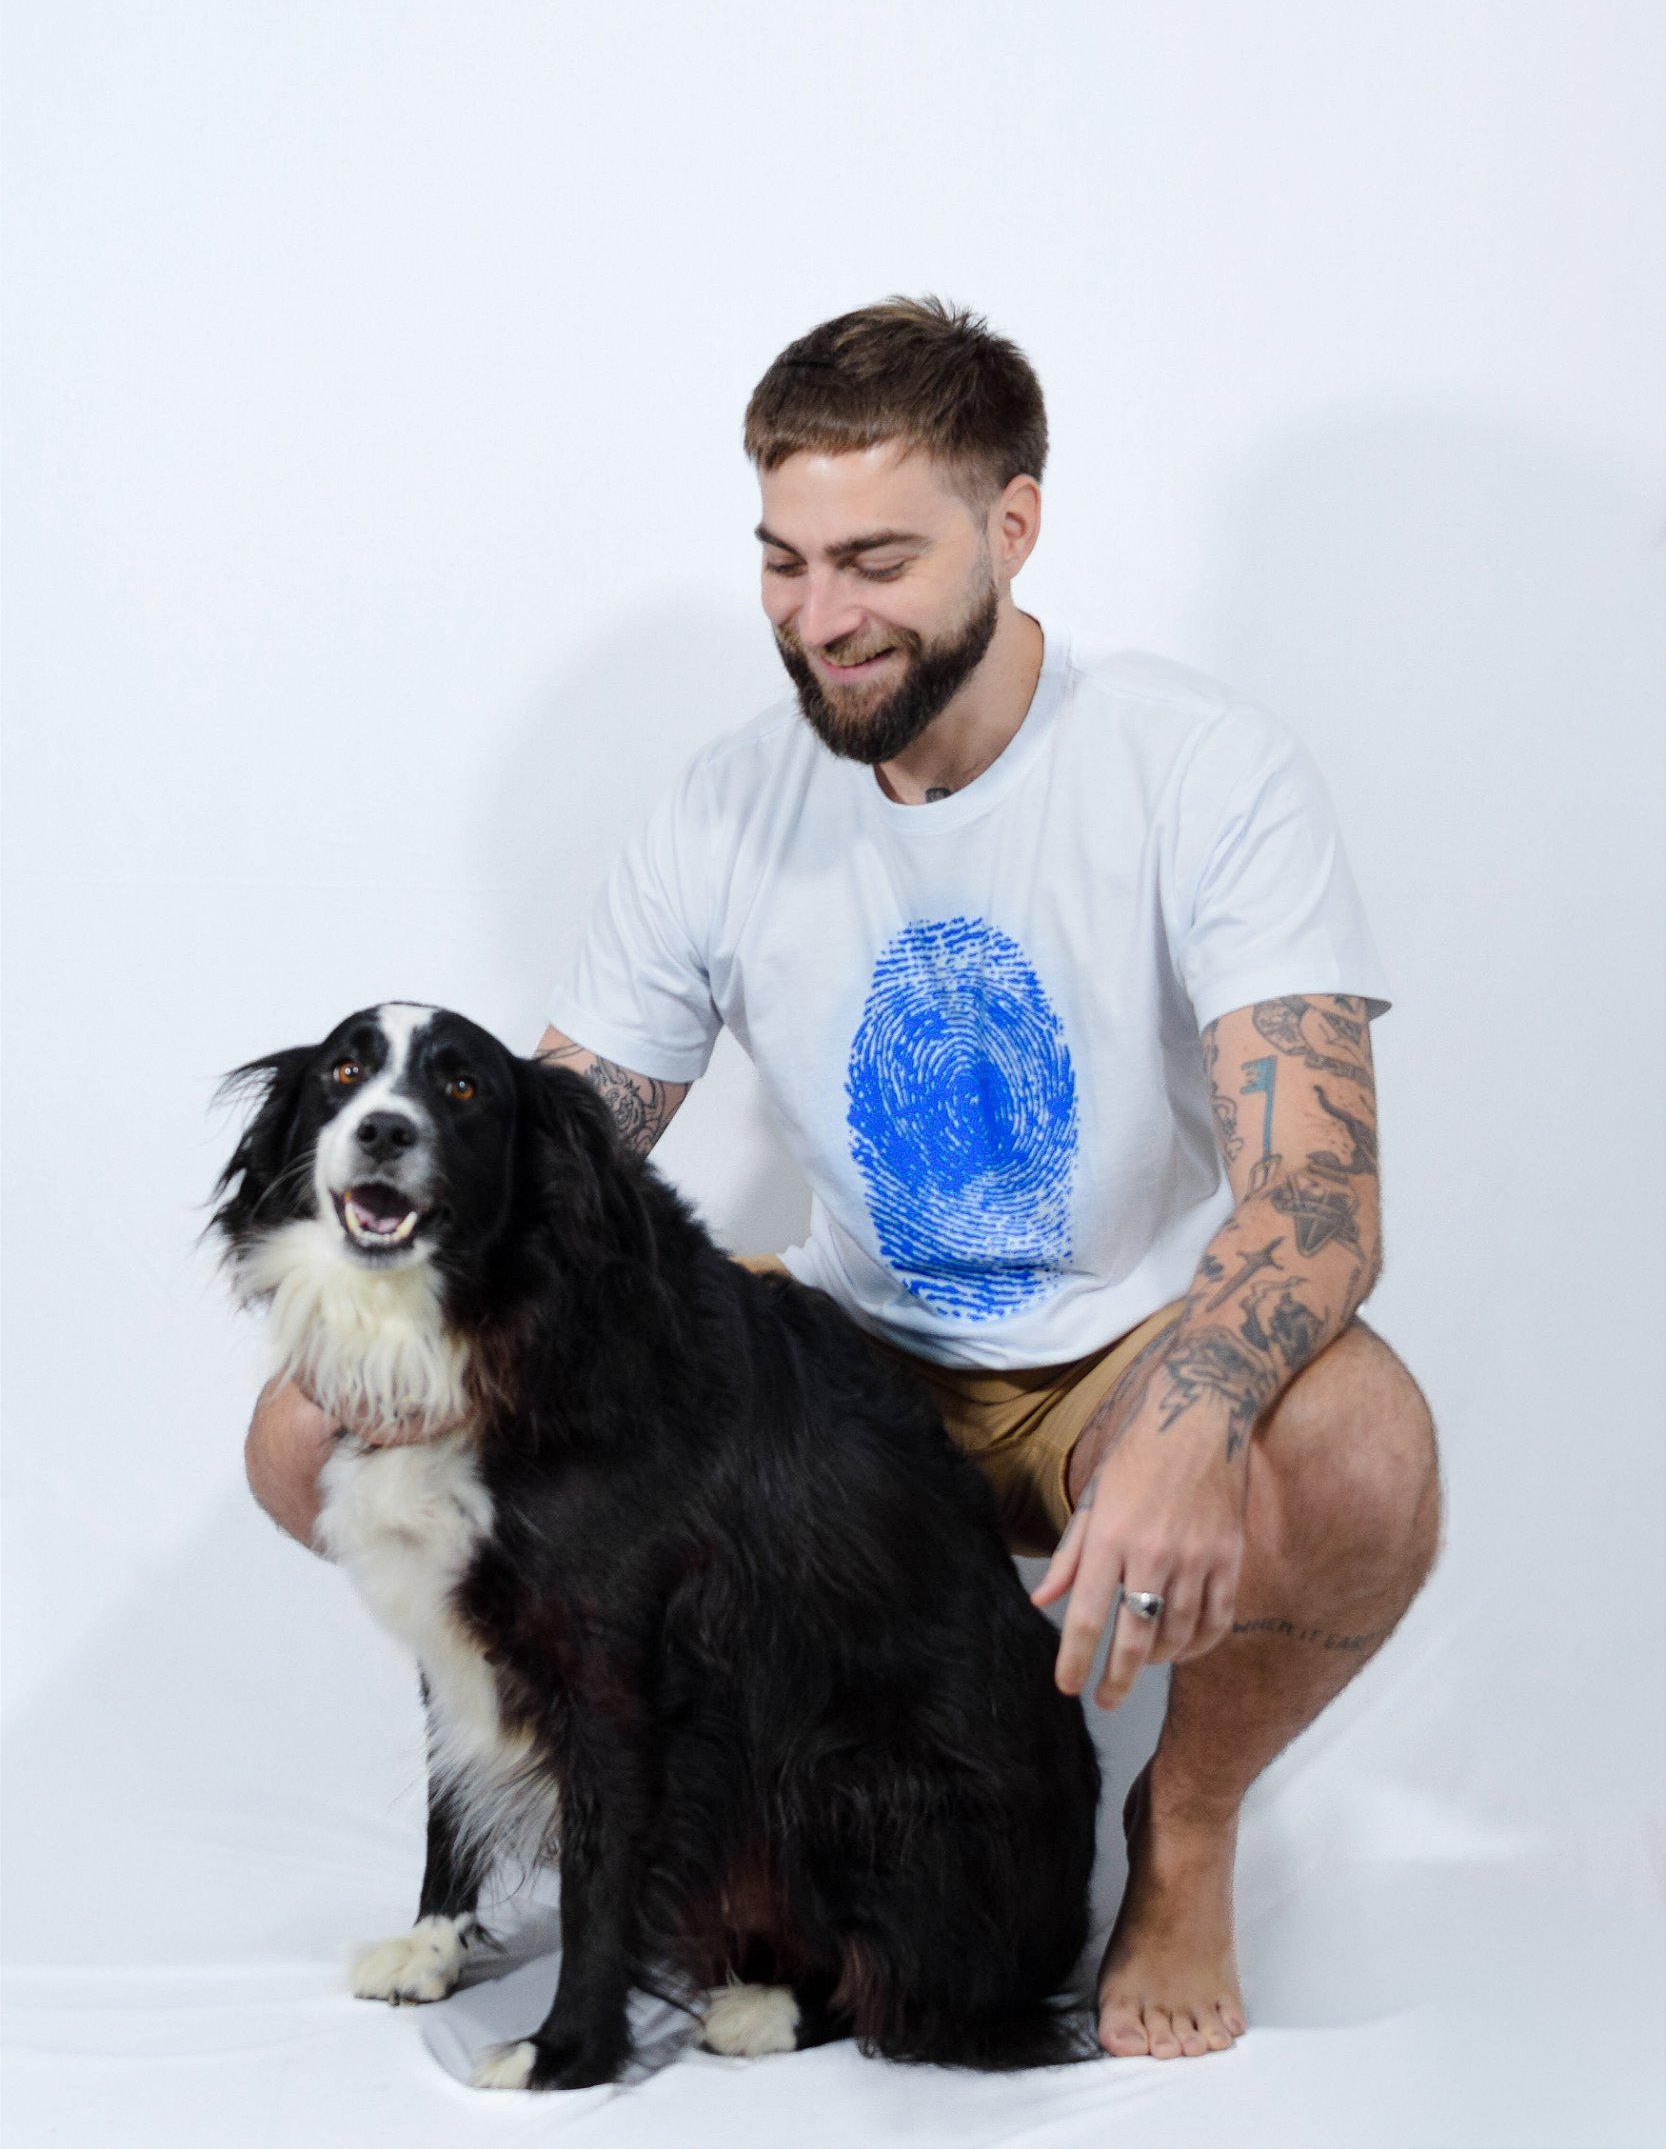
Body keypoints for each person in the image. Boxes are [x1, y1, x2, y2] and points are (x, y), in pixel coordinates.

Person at [247, 296, 1440, 2063]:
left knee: (1358, 1451)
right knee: (304, 1435)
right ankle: (706, 1840)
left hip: (1115, 1355)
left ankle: (1181, 1831)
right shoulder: (723, 806)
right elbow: (564, 1162)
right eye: (783, 562)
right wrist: (399, 1330)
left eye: (877, 560)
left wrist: (1193, 1415)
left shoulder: (1199, 766)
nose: (821, 619)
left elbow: (1318, 1194)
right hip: (842, 1363)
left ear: (1012, 526)